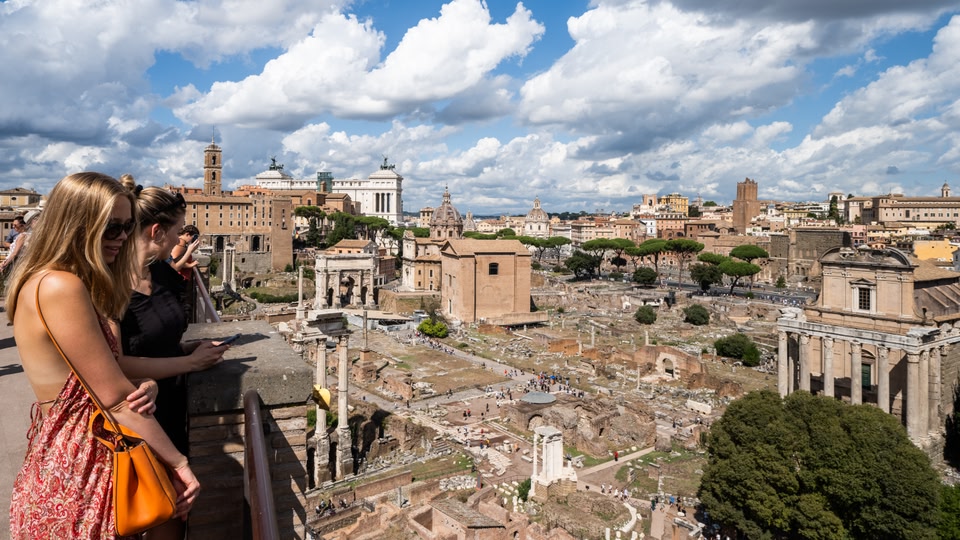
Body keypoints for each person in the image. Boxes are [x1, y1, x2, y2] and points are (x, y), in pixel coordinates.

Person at [7, 172, 199, 539]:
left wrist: (146, 385)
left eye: (128, 226)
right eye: (112, 227)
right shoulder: (61, 286)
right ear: (76, 224)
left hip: (82, 456)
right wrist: (179, 463)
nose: (124, 237)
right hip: (83, 464)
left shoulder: (57, 280)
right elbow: (113, 400)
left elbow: (96, 377)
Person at [114, 180, 227, 540]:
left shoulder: (162, 273)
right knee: (148, 513)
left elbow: (164, 341)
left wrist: (189, 351)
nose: (184, 239)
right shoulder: (109, 287)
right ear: (157, 231)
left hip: (172, 403)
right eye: (179, 231)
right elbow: (115, 363)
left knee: (173, 516)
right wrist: (189, 364)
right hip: (137, 414)